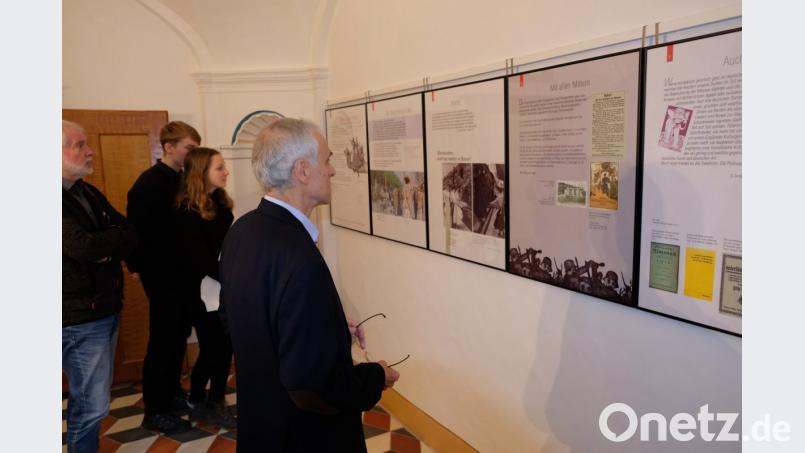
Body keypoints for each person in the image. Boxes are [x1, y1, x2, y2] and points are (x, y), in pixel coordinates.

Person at [219, 118, 400, 452]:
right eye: (327, 159)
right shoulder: (298, 256)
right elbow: (314, 386)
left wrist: (325, 326)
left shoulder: (242, 230)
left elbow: (235, 318)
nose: (332, 170)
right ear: (302, 171)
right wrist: (375, 377)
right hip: (304, 435)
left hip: (262, 423)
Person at [62, 120, 137, 452]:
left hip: (103, 308)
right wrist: (105, 247)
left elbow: (128, 230)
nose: (88, 151)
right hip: (79, 317)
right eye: (78, 145)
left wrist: (106, 248)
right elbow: (83, 247)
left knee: (95, 403)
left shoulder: (86, 190)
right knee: (90, 406)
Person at [127, 121, 201, 433]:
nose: (194, 154)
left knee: (176, 338)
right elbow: (137, 234)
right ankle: (154, 410)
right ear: (168, 148)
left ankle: (171, 394)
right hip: (163, 276)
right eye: (189, 148)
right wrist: (136, 266)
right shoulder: (149, 183)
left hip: (182, 276)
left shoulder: (183, 179)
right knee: (162, 341)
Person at [173, 147, 236, 429]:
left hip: (220, 287)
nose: (226, 172)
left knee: (221, 347)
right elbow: (200, 260)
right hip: (199, 293)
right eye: (219, 168)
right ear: (202, 173)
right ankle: (206, 400)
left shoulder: (220, 204)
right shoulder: (186, 211)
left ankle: (205, 398)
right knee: (216, 348)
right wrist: (232, 277)